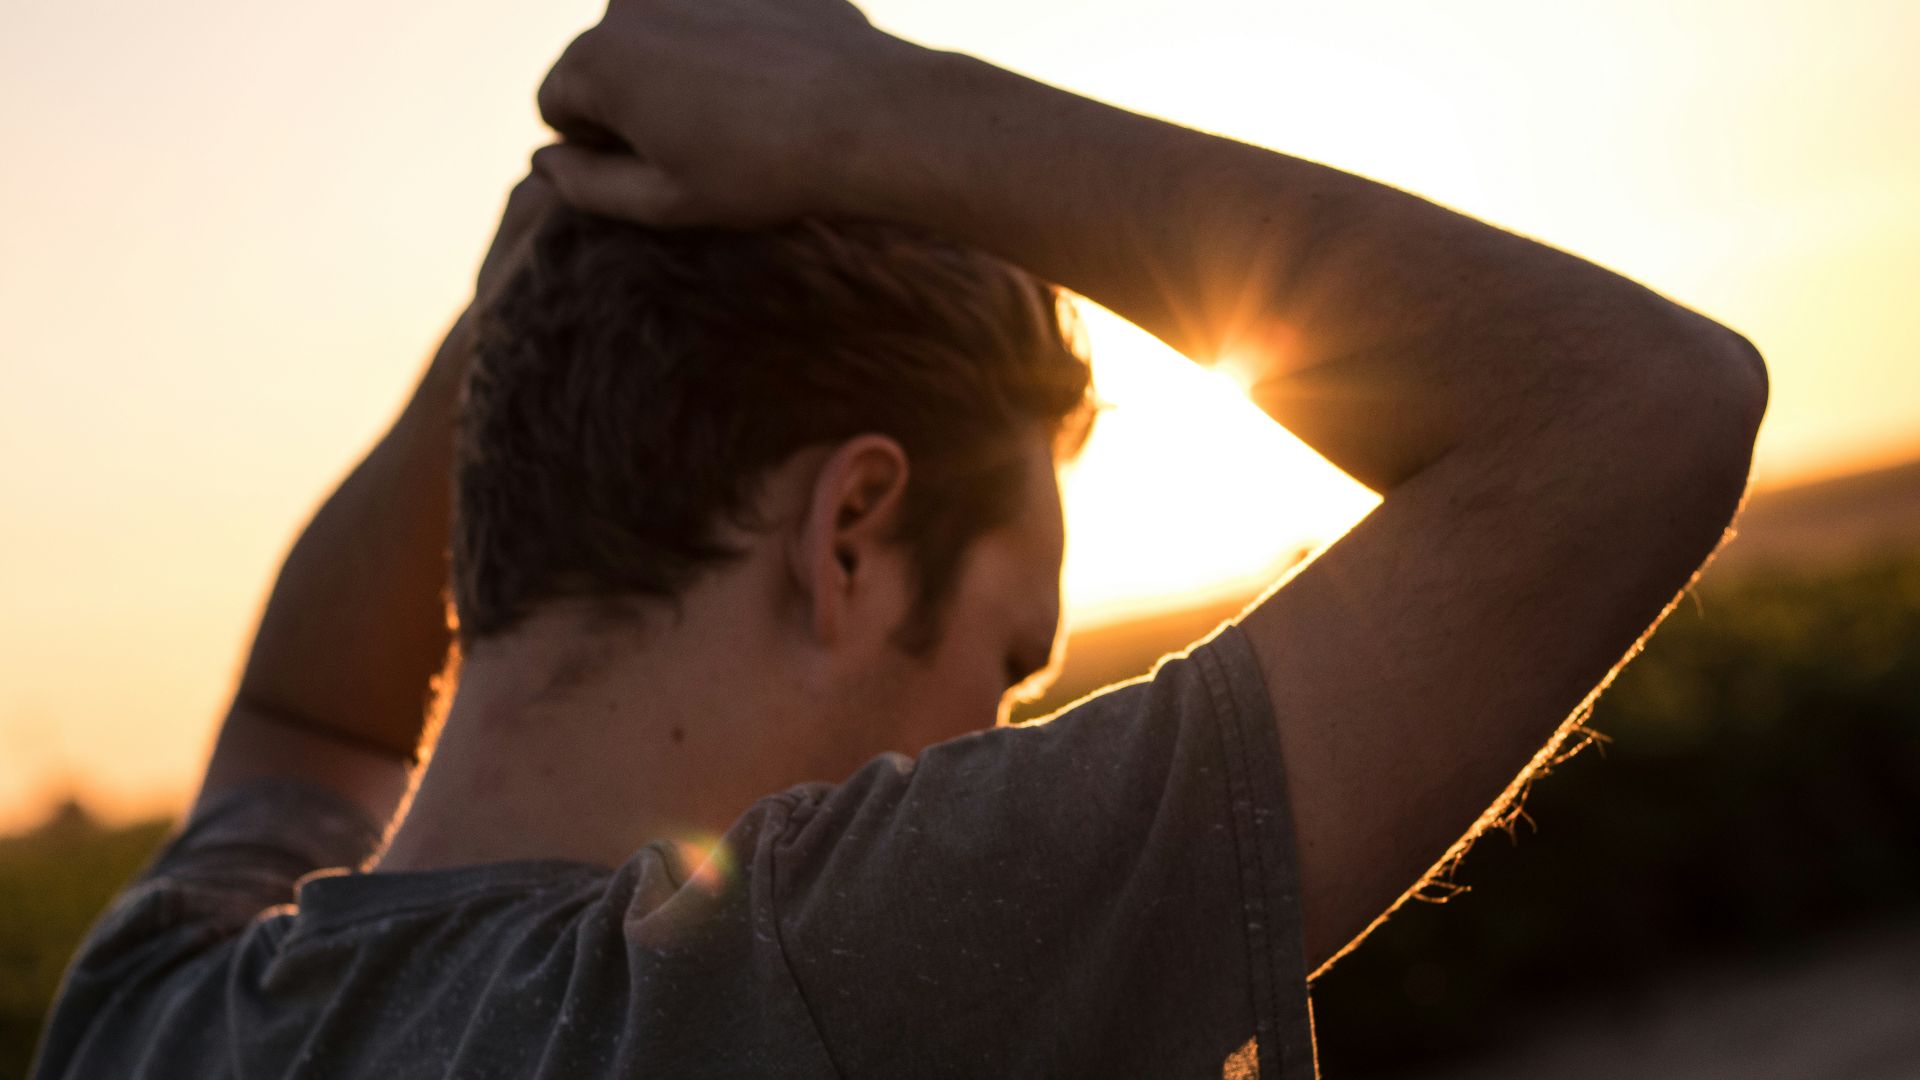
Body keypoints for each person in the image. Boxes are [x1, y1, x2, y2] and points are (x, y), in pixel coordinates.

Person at [31, 0, 1768, 1076]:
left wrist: (526, 293)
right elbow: (1639, 410)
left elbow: (305, 730)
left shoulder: (161, 1005)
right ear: (850, 532)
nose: (998, 736)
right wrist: (875, 110)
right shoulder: (806, 989)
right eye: (1009, 661)